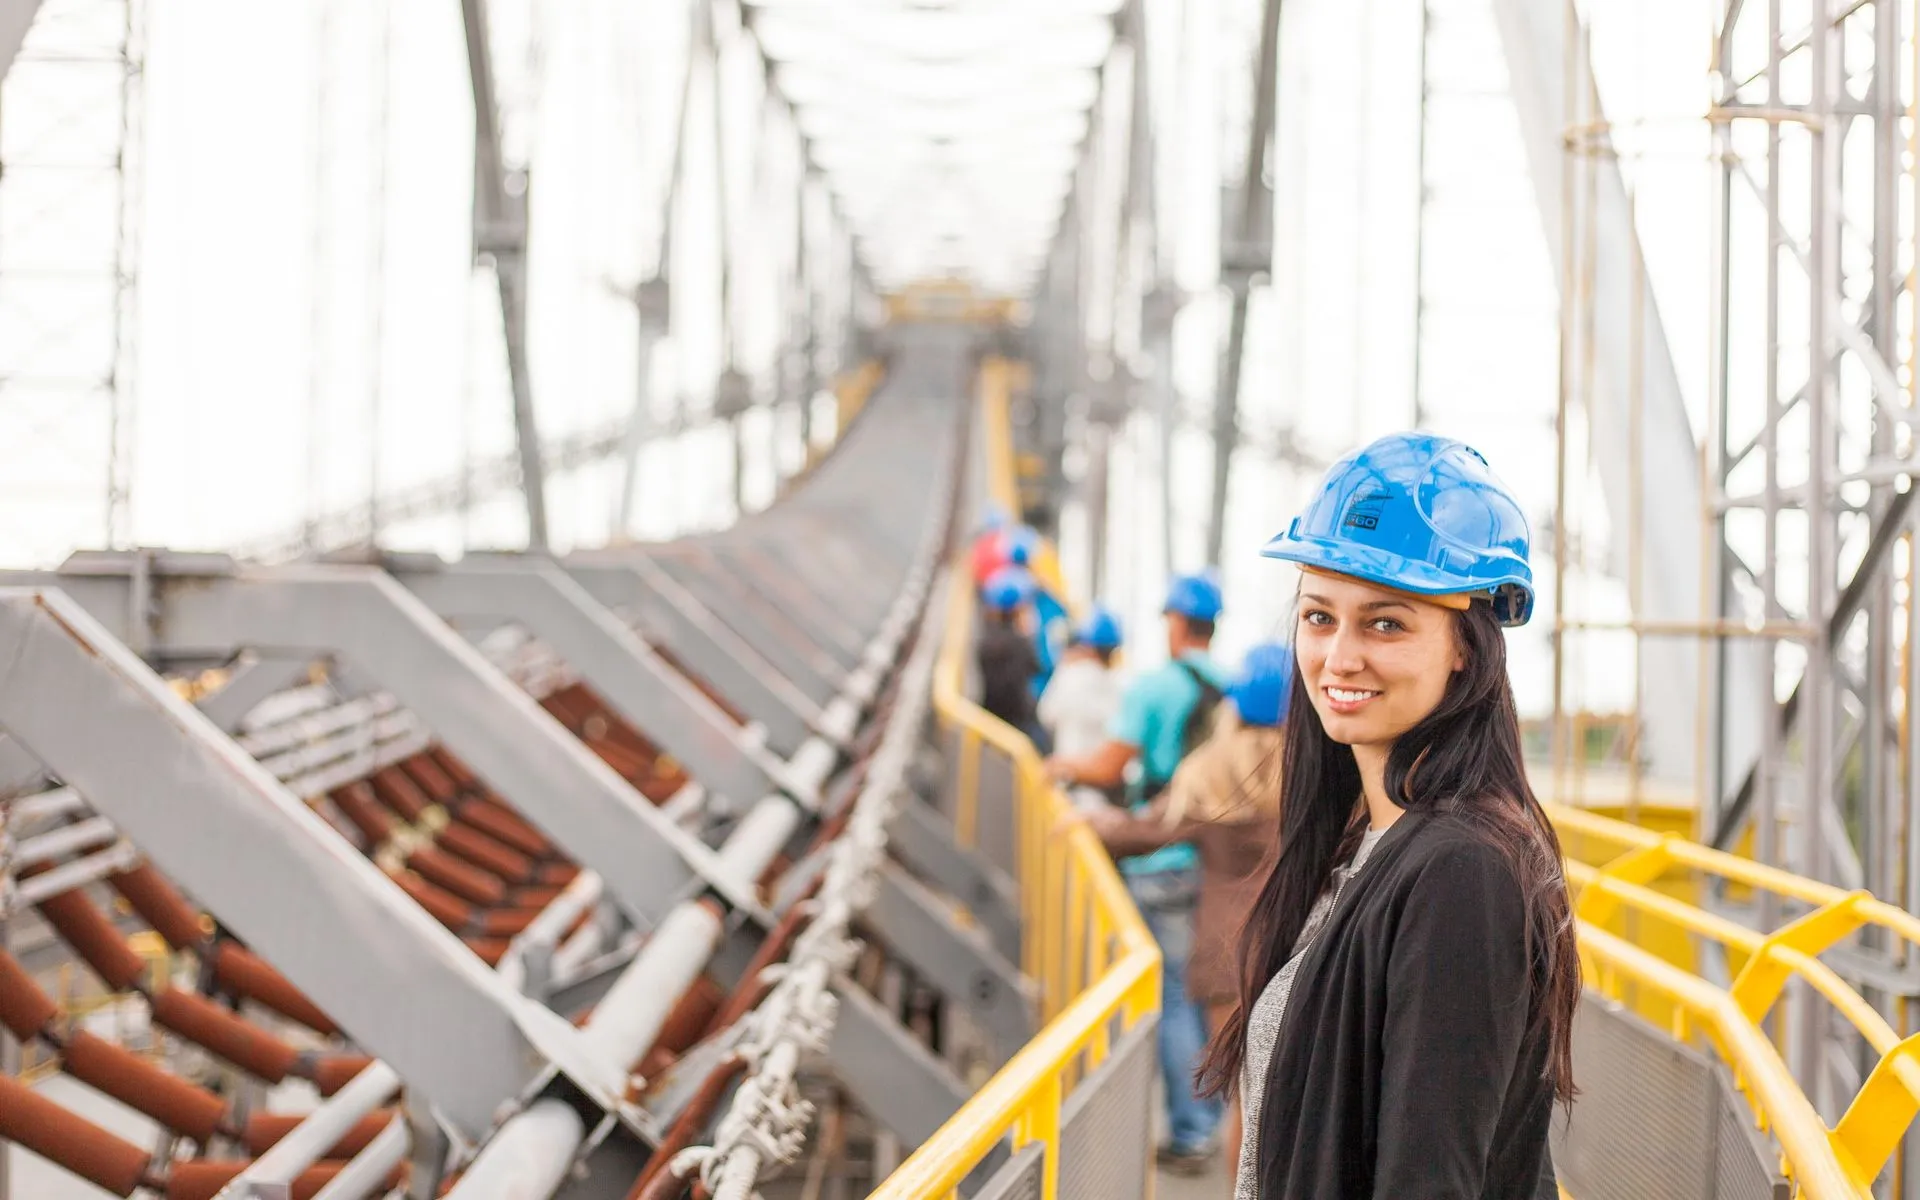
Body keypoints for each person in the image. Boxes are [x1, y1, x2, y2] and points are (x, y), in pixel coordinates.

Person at [1201, 432, 1576, 1200]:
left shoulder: (1460, 873)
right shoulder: (1362, 845)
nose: (1339, 657)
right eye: (1318, 618)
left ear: (1465, 647)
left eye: (1386, 623)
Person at [1073, 641, 1292, 1173]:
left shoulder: (1212, 770)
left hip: (1226, 955)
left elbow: (1144, 831)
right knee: (1289, 1101)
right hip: (1296, 947)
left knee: (1247, 1101)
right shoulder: (1316, 775)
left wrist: (1086, 824)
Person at [1044, 571, 1228, 1174]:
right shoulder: (1229, 689)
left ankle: (1191, 1130)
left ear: (1174, 622)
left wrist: (1063, 766)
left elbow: (1109, 766)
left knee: (1171, 998)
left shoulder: (1154, 688)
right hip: (1218, 863)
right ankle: (1212, 1123)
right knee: (1201, 994)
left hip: (1158, 857)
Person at [1036, 606, 1126, 811]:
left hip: (1069, 782)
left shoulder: (1069, 675)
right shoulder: (1121, 684)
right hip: (1106, 792)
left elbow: (1046, 715)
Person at [974, 566, 1044, 742]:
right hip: (1017, 724)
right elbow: (1036, 667)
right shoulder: (1019, 644)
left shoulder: (987, 639)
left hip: (991, 720)